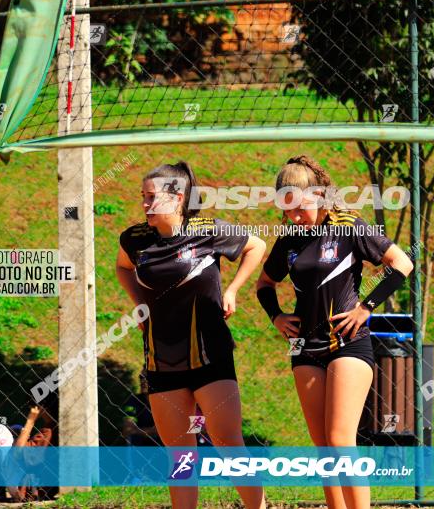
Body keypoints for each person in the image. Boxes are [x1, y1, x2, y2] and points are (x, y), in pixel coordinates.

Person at [255, 156, 414, 509]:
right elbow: (265, 284)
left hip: (348, 344)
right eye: (287, 210)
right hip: (304, 349)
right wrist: (277, 317)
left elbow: (402, 263)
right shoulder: (290, 239)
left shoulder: (349, 226)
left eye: (300, 208)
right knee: (324, 448)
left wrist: (365, 308)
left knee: (341, 441)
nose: (294, 217)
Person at [115, 161, 267, 509]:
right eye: (142, 197)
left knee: (229, 443)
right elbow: (123, 268)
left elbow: (255, 246)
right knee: (181, 456)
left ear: (177, 198)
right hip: (162, 359)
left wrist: (232, 291)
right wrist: (140, 304)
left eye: (151, 197)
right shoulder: (135, 238)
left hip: (210, 355)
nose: (144, 204)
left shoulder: (207, 230)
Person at [7, 395, 59, 502]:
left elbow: (17, 452)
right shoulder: (54, 428)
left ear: (40, 407)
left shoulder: (48, 432)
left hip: (37, 491)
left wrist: (30, 421)